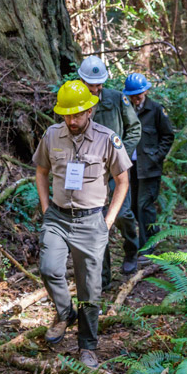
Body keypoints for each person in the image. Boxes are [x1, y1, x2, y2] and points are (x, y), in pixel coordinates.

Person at [33, 80, 133, 369]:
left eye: (76, 115)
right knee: (49, 268)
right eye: (66, 115)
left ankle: (87, 346)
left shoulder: (107, 138)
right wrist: (45, 206)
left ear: (90, 110)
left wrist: (109, 219)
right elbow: (41, 172)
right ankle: (65, 313)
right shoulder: (52, 135)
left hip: (92, 221)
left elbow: (123, 180)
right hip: (58, 217)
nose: (71, 120)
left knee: (90, 288)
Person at [77, 56, 142, 282]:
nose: (95, 89)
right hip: (90, 173)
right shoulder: (75, 102)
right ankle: (102, 276)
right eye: (91, 84)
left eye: (99, 84)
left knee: (122, 214)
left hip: (117, 170)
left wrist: (121, 154)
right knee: (96, 221)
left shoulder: (116, 99)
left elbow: (134, 128)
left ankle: (131, 250)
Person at [122, 73, 175, 263]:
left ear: (146, 91)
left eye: (139, 95)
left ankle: (147, 248)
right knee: (135, 206)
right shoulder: (126, 109)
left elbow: (168, 135)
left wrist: (157, 157)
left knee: (145, 205)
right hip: (131, 167)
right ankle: (154, 234)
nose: (136, 99)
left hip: (149, 167)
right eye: (132, 95)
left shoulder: (156, 110)